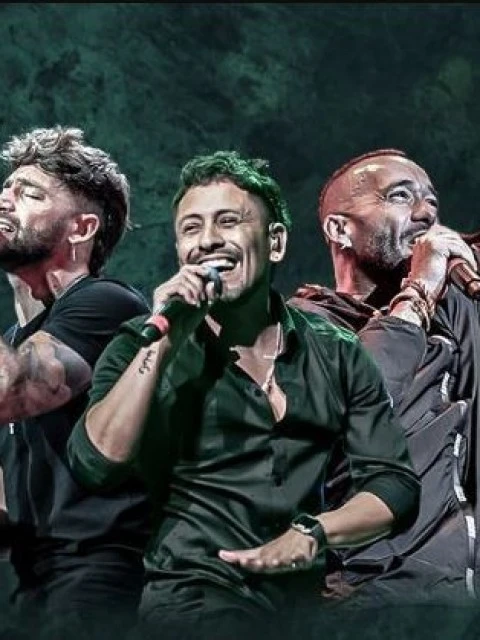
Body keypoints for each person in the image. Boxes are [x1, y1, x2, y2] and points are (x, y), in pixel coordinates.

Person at [67, 149, 420, 640]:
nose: (208, 239)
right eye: (191, 228)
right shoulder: (140, 344)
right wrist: (164, 341)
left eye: (228, 221)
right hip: (191, 596)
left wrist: (315, 532)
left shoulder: (335, 351)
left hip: (301, 608)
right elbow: (95, 462)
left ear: (275, 242)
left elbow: (394, 485)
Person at [288, 149, 480, 617]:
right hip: (381, 604)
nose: (425, 213)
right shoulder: (301, 326)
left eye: (432, 203)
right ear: (339, 229)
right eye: (400, 196)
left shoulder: (456, 312)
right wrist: (419, 290)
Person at [0, 126, 152, 640]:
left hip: (96, 572)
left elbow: (15, 391)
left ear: (81, 228)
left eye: (30, 194)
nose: (5, 200)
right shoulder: (12, 341)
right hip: (32, 581)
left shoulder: (106, 303)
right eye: (6, 188)